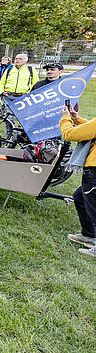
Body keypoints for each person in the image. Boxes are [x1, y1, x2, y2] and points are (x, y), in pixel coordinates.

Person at [60, 104, 96, 258]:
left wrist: (65, 118)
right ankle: (89, 235)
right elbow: (91, 129)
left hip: (94, 172)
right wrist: (78, 119)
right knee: (79, 197)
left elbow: (69, 134)